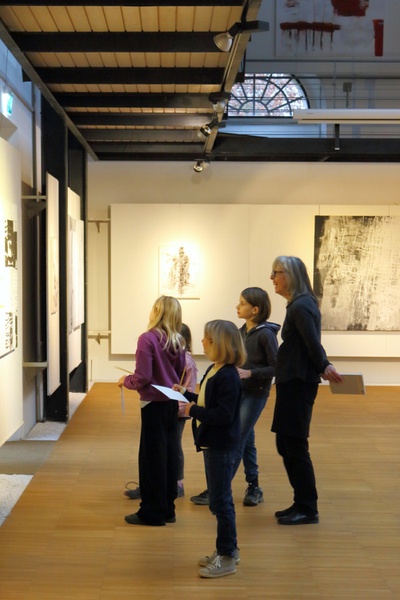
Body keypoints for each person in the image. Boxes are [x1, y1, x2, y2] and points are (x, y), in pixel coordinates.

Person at [190, 287, 280, 507]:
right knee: (246, 439)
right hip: (238, 391)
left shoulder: (266, 335)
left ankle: (217, 488)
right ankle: (254, 486)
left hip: (255, 392)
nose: (237, 307)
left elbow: (277, 366)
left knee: (238, 437)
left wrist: (251, 373)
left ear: (255, 309)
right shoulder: (241, 331)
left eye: (242, 303)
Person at [270, 256, 343, 525]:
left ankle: (308, 508)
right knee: (286, 443)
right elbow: (309, 343)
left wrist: (323, 364)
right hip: (293, 381)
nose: (272, 278)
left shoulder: (301, 305)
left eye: (276, 272)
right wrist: (322, 364)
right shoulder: (299, 304)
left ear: (290, 276)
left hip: (298, 383)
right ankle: (300, 502)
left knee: (294, 444)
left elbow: (312, 342)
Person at [174, 320, 246, 578]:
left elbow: (223, 415)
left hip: (221, 445)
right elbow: (207, 401)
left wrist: (193, 410)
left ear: (220, 344)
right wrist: (187, 394)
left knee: (220, 502)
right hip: (212, 443)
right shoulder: (214, 370)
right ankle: (229, 549)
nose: (202, 341)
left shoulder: (228, 376)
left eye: (207, 338)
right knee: (219, 500)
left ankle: (226, 557)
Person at [117, 295, 186, 526]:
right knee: (168, 456)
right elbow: (177, 373)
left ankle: (152, 512)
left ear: (156, 311)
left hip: (153, 404)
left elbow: (143, 376)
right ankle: (168, 509)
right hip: (171, 402)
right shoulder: (179, 340)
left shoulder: (147, 339)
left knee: (151, 459)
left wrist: (126, 381)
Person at [123, 323, 197, 501]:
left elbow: (188, 389)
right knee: (158, 448)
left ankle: (176, 483)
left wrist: (177, 406)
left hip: (176, 408)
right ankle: (153, 485)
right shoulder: (172, 354)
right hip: (166, 406)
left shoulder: (187, 361)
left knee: (173, 446)